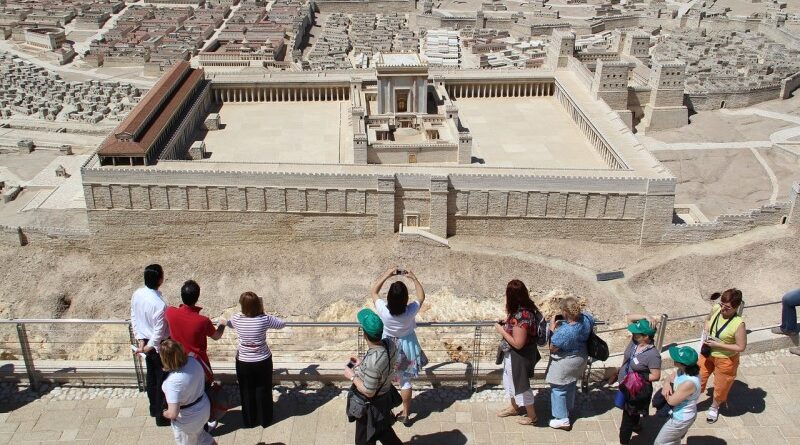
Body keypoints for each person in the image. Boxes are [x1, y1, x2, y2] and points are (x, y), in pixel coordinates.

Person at [370, 266, 427, 426]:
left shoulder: (384, 311)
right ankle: (406, 414)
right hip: (407, 347)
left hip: (388, 347)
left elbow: (374, 292)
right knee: (406, 382)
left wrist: (386, 275)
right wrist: (414, 278)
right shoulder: (410, 311)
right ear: (405, 298)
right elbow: (422, 296)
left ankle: (386, 412)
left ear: (388, 297)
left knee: (385, 381)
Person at [222, 291, 286, 428]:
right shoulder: (264, 319)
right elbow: (282, 323)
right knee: (264, 389)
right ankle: (265, 420)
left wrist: (224, 322)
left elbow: (229, 324)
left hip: (243, 361)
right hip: (262, 360)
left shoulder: (237, 319)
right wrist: (263, 312)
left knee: (246, 390)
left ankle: (250, 421)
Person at [344, 308, 402, 445]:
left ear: (364, 334)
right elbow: (381, 365)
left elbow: (369, 391)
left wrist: (352, 376)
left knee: (364, 439)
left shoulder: (373, 362)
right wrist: (362, 363)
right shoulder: (390, 344)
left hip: (370, 406)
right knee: (383, 430)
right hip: (384, 398)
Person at [494, 279, 541, 426]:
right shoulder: (526, 308)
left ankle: (532, 416)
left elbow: (518, 344)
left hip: (519, 357)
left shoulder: (521, 316)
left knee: (521, 386)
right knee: (510, 381)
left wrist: (501, 330)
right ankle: (514, 407)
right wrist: (507, 323)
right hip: (515, 356)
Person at [608, 315, 662, 444]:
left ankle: (624, 441)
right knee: (629, 409)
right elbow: (629, 318)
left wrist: (636, 377)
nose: (633, 335)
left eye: (637, 334)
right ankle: (636, 424)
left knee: (627, 417)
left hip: (635, 389)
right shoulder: (635, 341)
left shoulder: (653, 355)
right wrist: (646, 316)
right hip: (624, 382)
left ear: (646, 337)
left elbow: (656, 375)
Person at [545, 297, 594, 430]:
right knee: (571, 384)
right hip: (581, 358)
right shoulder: (587, 318)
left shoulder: (566, 332)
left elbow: (552, 347)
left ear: (565, 312)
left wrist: (552, 329)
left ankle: (562, 419)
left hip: (566, 363)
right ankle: (567, 408)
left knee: (558, 388)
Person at [131, 264, 171, 426]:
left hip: (145, 342)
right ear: (160, 279)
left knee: (152, 378)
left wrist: (140, 340)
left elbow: (134, 316)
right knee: (162, 380)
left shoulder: (137, 294)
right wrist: (149, 346)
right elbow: (159, 330)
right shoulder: (159, 304)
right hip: (157, 345)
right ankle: (162, 416)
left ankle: (154, 409)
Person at [700, 288, 747, 423]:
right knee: (699, 377)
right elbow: (707, 319)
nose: (723, 309)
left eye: (727, 307)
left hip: (726, 358)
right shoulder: (716, 308)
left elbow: (740, 347)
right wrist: (706, 328)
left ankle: (715, 406)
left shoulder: (739, 324)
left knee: (721, 385)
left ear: (736, 307)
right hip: (707, 352)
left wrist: (719, 345)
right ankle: (690, 401)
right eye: (722, 305)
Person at [165, 280, 226, 380]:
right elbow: (216, 336)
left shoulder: (170, 312)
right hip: (198, 363)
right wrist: (222, 325)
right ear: (197, 297)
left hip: (178, 361)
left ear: (182, 295)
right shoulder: (203, 321)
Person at [160, 339, 217, 445]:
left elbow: (173, 413)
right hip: (203, 407)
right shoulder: (193, 361)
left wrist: (163, 413)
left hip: (187, 418)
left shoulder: (172, 382)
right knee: (202, 436)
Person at [654, 346, 701, 445]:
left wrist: (664, 392)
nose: (673, 359)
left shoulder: (689, 383)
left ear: (683, 364)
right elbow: (669, 378)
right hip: (676, 413)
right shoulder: (682, 371)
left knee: (660, 443)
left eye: (676, 359)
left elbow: (671, 401)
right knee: (673, 440)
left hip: (680, 418)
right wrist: (666, 385)